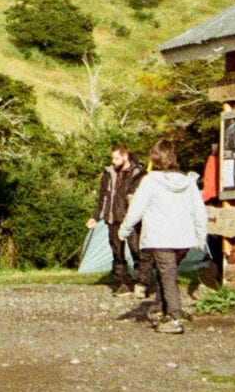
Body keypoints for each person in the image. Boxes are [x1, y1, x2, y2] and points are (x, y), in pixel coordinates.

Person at [119, 139, 208, 334]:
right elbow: (199, 211)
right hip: (184, 239)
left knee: (168, 275)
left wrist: (124, 229)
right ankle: (160, 308)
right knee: (165, 272)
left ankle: (174, 318)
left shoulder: (150, 181)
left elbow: (137, 208)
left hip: (161, 237)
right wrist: (201, 236)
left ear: (155, 158)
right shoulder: (188, 181)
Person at [86, 145, 145, 295]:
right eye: (112, 158)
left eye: (116, 158)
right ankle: (122, 283)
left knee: (136, 251)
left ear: (125, 157)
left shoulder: (139, 174)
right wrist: (95, 217)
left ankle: (141, 283)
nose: (113, 161)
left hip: (132, 220)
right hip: (112, 218)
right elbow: (102, 198)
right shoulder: (109, 173)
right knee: (117, 253)